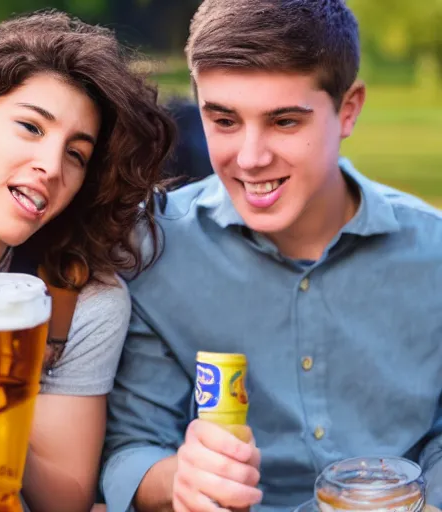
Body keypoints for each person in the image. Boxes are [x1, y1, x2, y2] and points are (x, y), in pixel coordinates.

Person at [100, 0, 442, 511]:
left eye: (284, 122)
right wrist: (180, 477)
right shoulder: (157, 250)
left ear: (348, 110)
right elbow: (129, 450)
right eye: (224, 120)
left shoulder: (433, 253)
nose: (251, 158)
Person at [0, 10, 173, 512]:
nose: (50, 166)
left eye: (77, 155)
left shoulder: (75, 302)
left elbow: (65, 500)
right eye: (30, 127)